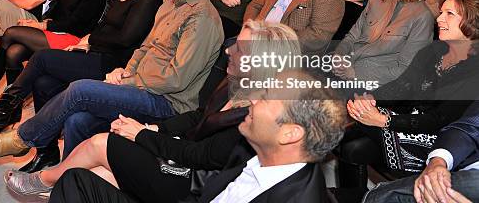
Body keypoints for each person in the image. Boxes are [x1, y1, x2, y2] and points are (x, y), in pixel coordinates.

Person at [2, 20, 300, 200]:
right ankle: (53, 182)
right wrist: (158, 129)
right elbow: (198, 116)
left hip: (193, 182)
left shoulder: (262, 114)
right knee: (89, 174)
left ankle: (44, 179)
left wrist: (143, 134)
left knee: (101, 142)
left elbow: (203, 158)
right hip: (183, 155)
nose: (228, 51)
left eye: (240, 49)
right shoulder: (235, 84)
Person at [0, 0, 224, 162]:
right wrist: (125, 71)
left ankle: (22, 138)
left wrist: (130, 81)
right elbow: (144, 48)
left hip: (166, 101)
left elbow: (176, 79)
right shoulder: (170, 4)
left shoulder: (201, 19)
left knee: (80, 89)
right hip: (140, 83)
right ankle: (69, 180)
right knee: (77, 120)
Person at [0, 0, 164, 172]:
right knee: (42, 82)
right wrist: (86, 42)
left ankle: (3, 109)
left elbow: (126, 39)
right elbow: (104, 28)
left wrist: (90, 41)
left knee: (41, 58)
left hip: (112, 64)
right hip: (96, 52)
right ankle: (46, 152)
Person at [44, 69, 348, 203]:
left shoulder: (296, 196)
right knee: (77, 181)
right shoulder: (252, 153)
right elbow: (201, 186)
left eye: (268, 100)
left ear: (290, 133)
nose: (254, 101)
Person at [340, 0, 479, 202]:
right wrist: (371, 99)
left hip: (441, 141)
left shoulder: (475, 70)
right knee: (351, 141)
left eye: (449, 14)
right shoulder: (434, 50)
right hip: (408, 120)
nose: (439, 19)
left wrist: (382, 120)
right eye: (441, 12)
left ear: (473, 21)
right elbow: (402, 84)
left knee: (351, 131)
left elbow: (438, 120)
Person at [333, 0, 434, 84]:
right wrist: (338, 57)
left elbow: (406, 68)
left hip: (373, 83)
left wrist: (355, 73)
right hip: (347, 66)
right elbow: (351, 37)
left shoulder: (422, 16)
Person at [364, 102, 479, 203]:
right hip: (456, 150)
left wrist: (385, 120)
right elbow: (469, 127)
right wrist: (438, 161)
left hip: (432, 134)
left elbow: (437, 120)